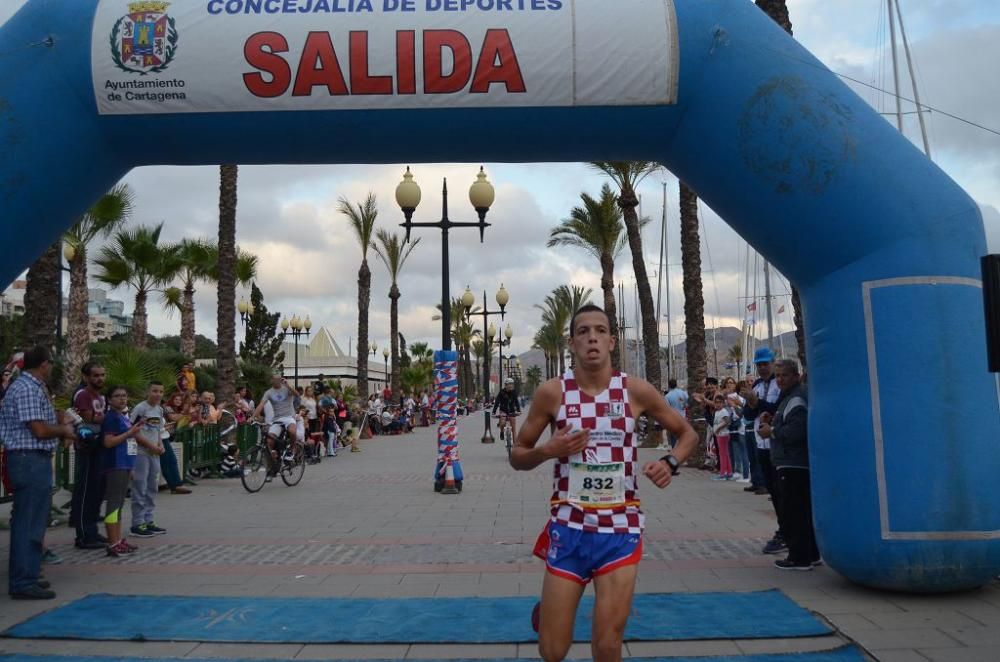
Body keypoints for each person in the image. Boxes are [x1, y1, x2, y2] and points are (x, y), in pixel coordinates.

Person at [511, 305, 697, 662]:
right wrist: (549, 449)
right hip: (569, 528)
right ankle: (551, 611)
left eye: (600, 331)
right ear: (572, 343)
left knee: (608, 645)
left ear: (612, 341)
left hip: (620, 530)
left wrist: (671, 462)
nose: (592, 337)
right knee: (552, 650)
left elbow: (686, 433)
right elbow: (518, 455)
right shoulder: (553, 393)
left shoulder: (635, 391)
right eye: (583, 331)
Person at [0, 346, 77, 599]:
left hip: (32, 459)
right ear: (44, 364)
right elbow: (40, 431)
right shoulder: (26, 389)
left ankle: (29, 574)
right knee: (28, 522)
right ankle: (22, 581)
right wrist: (63, 431)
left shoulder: (32, 387)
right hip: (28, 459)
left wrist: (59, 418)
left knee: (34, 521)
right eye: (51, 363)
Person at [757, 359, 818, 570]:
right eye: (778, 376)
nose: (780, 380)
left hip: (793, 464)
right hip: (789, 462)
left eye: (785, 375)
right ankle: (811, 553)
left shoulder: (797, 398)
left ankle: (799, 558)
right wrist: (773, 419)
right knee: (799, 510)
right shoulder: (789, 398)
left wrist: (771, 431)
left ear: (796, 376)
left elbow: (797, 431)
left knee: (794, 512)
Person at [741, 347, 784, 553]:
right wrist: (751, 403)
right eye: (760, 365)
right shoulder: (757, 385)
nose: (763, 368)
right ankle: (782, 529)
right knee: (773, 491)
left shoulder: (781, 384)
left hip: (778, 443)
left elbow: (777, 409)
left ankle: (787, 531)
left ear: (773, 363)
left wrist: (758, 403)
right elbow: (749, 415)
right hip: (762, 443)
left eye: (766, 363)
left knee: (783, 491)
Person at [70, 361, 108, 549]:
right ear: (86, 377)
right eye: (96, 375)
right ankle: (84, 535)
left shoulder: (100, 396)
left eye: (102, 375)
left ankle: (92, 530)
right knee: (86, 491)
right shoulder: (83, 394)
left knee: (96, 490)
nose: (100, 378)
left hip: (99, 444)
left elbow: (99, 417)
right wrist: (105, 418)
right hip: (87, 445)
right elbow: (88, 417)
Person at [100, 386, 143, 557]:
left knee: (119, 504)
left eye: (124, 396)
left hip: (125, 463)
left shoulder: (122, 417)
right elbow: (109, 442)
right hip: (115, 464)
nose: (122, 399)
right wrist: (130, 432)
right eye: (117, 396)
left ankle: (117, 539)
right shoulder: (111, 418)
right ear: (109, 400)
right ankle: (112, 542)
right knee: (113, 504)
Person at [129, 381, 167, 538]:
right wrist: (150, 446)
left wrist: (160, 444)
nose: (157, 394)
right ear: (148, 391)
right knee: (140, 486)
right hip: (141, 452)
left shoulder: (159, 410)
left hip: (155, 453)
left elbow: (158, 430)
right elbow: (133, 431)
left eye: (160, 391)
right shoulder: (140, 408)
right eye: (154, 391)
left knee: (152, 486)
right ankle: (137, 523)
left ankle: (149, 519)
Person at [253, 375, 299, 475]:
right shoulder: (269, 392)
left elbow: (297, 394)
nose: (277, 380)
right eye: (275, 379)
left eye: (279, 379)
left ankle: (292, 449)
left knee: (292, 431)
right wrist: (253, 417)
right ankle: (274, 462)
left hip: (289, 417)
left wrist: (288, 385)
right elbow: (261, 404)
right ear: (271, 380)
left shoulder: (286, 389)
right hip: (277, 419)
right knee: (269, 440)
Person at [711, 394, 733, 480]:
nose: (717, 404)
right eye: (716, 403)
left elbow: (727, 421)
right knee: (724, 454)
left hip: (723, 434)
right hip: (719, 434)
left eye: (720, 402)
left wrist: (719, 428)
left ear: (723, 403)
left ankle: (723, 472)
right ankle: (729, 472)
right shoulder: (717, 412)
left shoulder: (724, 411)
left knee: (723, 454)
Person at [663, 378, 688, 449]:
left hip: (673, 418)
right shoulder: (683, 393)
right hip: (683, 417)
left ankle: (675, 449)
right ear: (676, 384)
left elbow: (667, 409)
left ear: (669, 385)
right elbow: (687, 403)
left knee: (673, 435)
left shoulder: (667, 396)